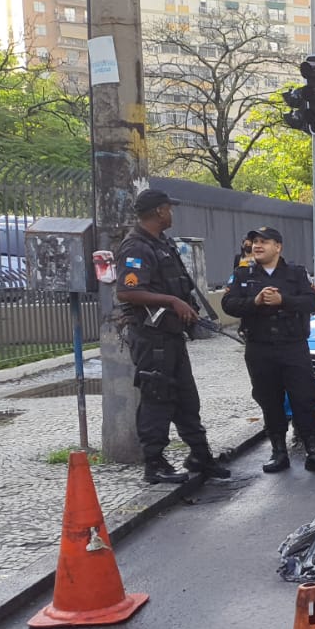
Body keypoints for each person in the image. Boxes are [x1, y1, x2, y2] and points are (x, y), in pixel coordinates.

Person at [114, 188, 231, 485]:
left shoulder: (161, 243)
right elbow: (127, 291)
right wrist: (171, 301)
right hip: (151, 338)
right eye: (169, 208)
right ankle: (154, 464)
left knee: (186, 398)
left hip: (171, 337)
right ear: (159, 212)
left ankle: (200, 456)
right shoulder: (136, 247)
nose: (172, 213)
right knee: (158, 397)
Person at [221, 226, 315, 474]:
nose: (257, 246)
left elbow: (312, 303)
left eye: (264, 241)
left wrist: (283, 300)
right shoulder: (243, 274)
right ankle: (278, 452)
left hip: (292, 347)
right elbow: (228, 304)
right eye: (254, 242)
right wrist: (254, 302)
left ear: (278, 246)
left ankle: (313, 451)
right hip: (259, 348)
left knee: (304, 398)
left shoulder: (295, 274)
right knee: (269, 400)